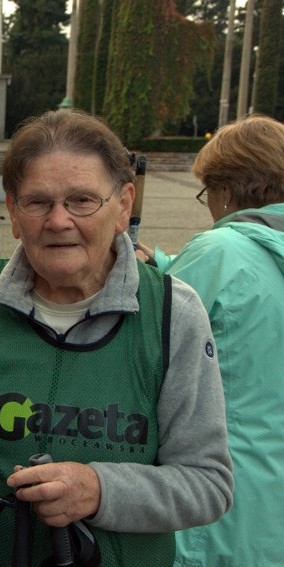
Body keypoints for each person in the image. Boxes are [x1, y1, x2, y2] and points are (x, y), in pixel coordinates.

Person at [0, 109, 234, 566]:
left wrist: (100, 491)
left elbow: (208, 484)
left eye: (81, 200)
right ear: (14, 214)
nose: (58, 221)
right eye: (38, 202)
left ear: (122, 206)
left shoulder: (174, 313)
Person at [135, 114, 284, 567]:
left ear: (227, 189)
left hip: (219, 501)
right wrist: (163, 261)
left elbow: (145, 338)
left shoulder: (218, 252)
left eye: (207, 194)